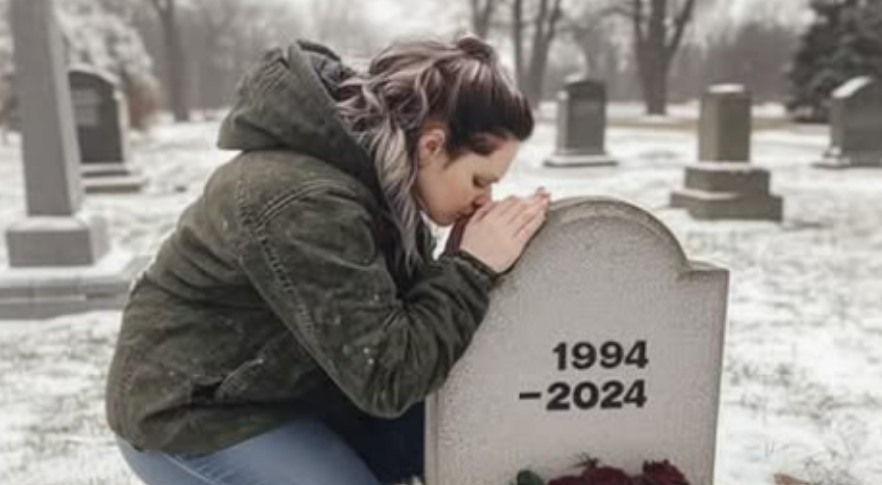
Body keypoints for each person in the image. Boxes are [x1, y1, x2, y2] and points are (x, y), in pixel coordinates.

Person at [106, 33, 550, 485]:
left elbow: (397, 333)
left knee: (453, 433)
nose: (485, 200)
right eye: (479, 180)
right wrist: (470, 269)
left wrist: (462, 266)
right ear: (432, 146)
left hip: (288, 388)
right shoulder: (306, 205)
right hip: (195, 413)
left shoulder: (383, 179)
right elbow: (386, 376)